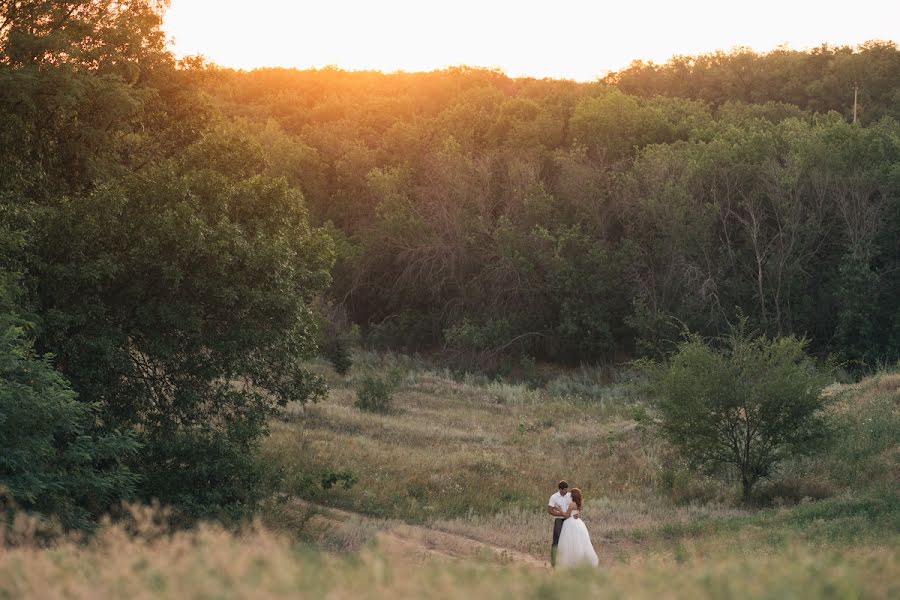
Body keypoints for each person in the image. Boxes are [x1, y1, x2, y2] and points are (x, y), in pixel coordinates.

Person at [555, 487, 599, 568]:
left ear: (573, 495)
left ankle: (570, 562)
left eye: (571, 494)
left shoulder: (572, 504)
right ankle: (579, 560)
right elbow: (577, 513)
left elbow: (567, 515)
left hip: (570, 523)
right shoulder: (579, 504)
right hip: (578, 523)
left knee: (569, 542)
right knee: (578, 541)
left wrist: (560, 509)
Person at [547, 480, 571, 567]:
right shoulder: (554, 497)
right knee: (556, 541)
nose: (566, 491)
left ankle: (566, 562)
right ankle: (553, 563)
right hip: (559, 520)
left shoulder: (569, 496)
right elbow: (550, 510)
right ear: (560, 489)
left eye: (567, 489)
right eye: (564, 489)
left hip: (569, 520)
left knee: (568, 541)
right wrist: (561, 514)